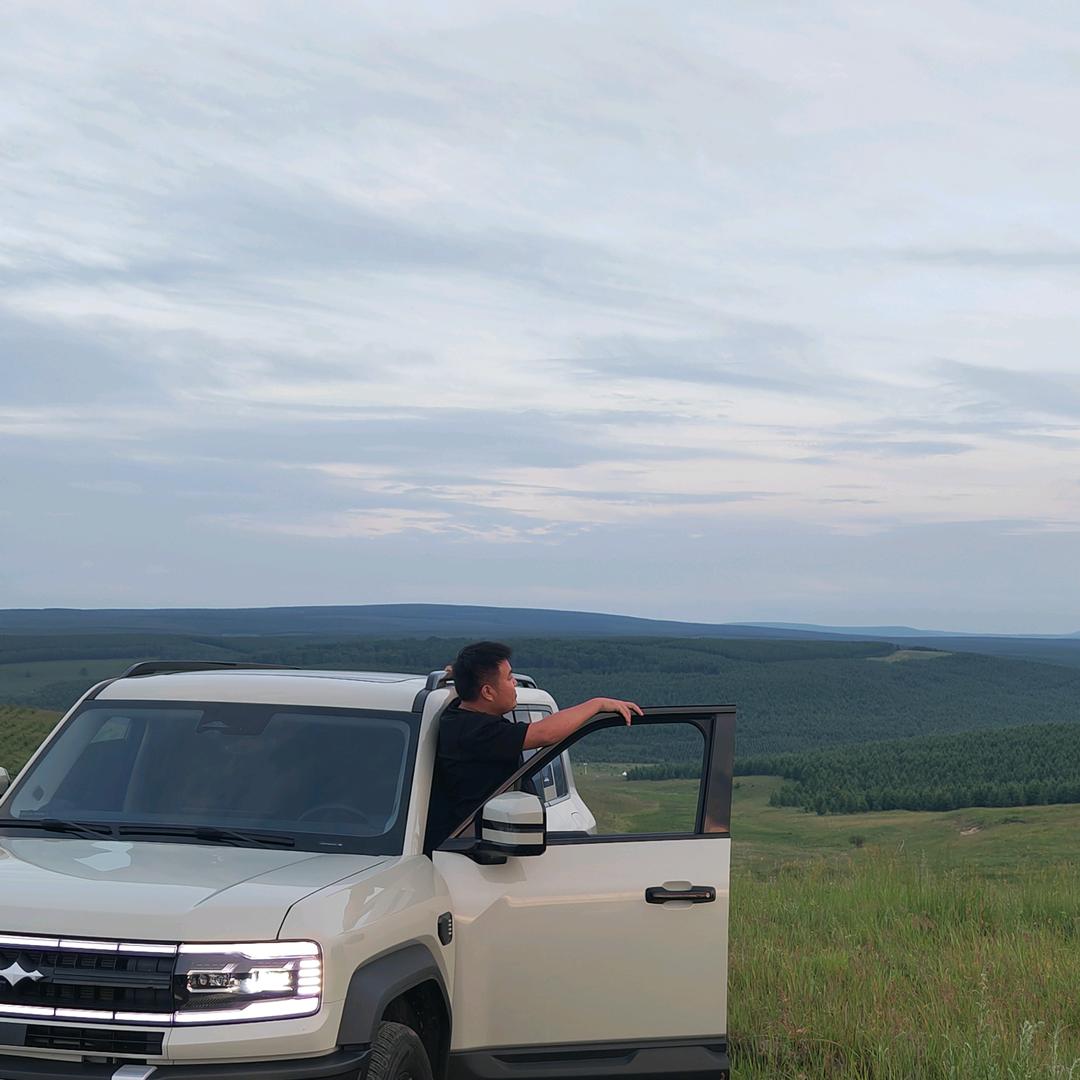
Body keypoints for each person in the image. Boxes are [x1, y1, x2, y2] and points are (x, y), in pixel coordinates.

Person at [425, 640, 641, 852]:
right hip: (478, 850)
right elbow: (545, 734)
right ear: (488, 693)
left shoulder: (457, 715)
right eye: (509, 677)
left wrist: (460, 673)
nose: (514, 683)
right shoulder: (475, 732)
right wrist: (597, 704)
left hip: (480, 842)